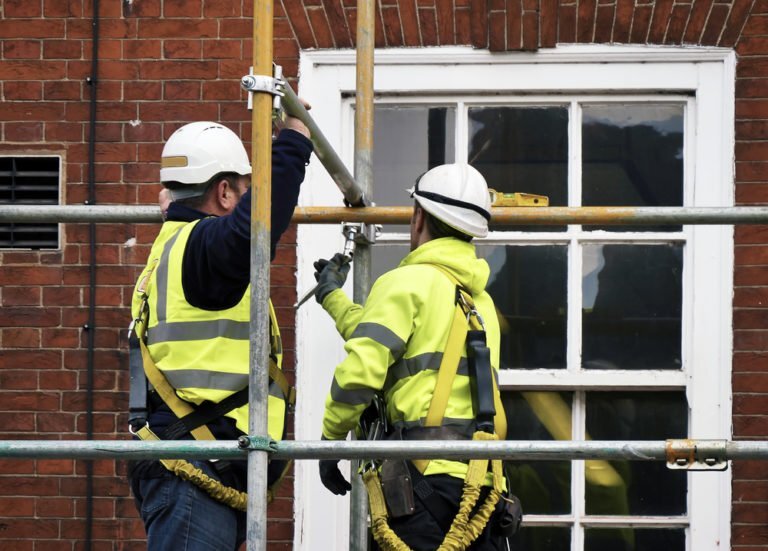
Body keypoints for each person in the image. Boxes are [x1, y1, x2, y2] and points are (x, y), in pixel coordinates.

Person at [128, 115, 312, 550]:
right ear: (224, 192)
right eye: (243, 188)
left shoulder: (180, 243)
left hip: (195, 461)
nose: (249, 197)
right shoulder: (203, 246)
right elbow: (255, 228)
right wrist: (293, 142)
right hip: (193, 464)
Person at [313, 163, 516, 550]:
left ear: (419, 216)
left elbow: (360, 373)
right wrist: (333, 297)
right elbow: (388, 335)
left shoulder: (403, 284)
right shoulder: (482, 303)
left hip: (422, 488)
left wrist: (330, 441)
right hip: (483, 492)